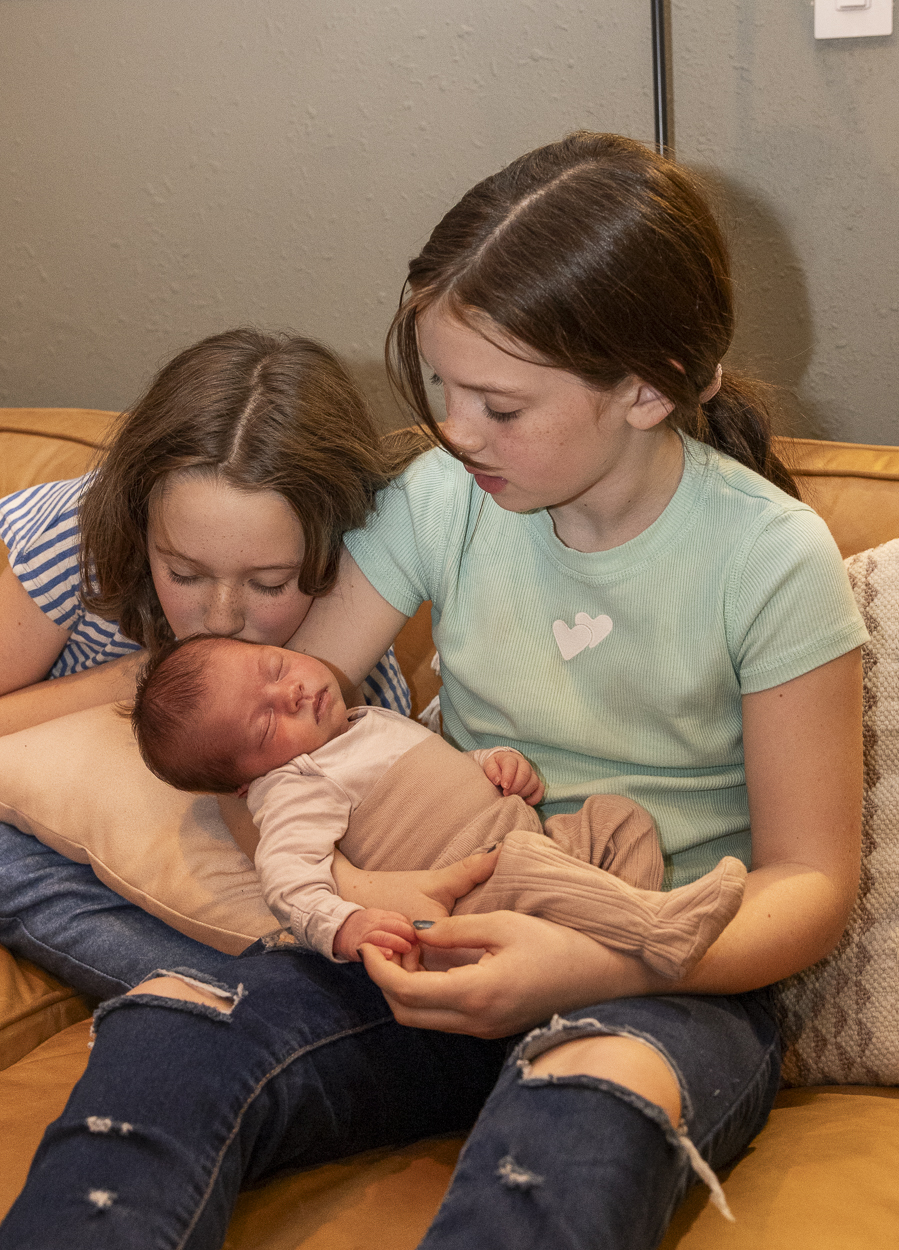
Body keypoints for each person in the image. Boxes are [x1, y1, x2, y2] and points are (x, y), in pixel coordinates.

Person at [0, 133, 865, 1250]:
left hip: (659, 972)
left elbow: (808, 882)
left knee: (569, 1121)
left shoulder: (771, 559)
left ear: (646, 389)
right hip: (435, 938)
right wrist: (363, 899)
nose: (455, 430)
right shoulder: (436, 499)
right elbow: (261, 744)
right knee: (172, 1027)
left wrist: (585, 962)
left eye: (499, 405)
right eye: (440, 386)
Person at [0, 326, 416, 998]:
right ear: (140, 525)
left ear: (332, 555)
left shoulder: (341, 663)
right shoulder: (78, 540)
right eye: (184, 572)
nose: (221, 616)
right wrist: (126, 682)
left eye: (270, 583)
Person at [132, 632, 746, 974]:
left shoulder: (357, 723)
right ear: (247, 782)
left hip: (529, 841)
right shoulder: (294, 785)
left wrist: (493, 766)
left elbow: (431, 773)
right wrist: (345, 925)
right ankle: (653, 932)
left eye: (274, 666)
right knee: (531, 863)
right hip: (474, 900)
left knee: (619, 818)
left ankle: (617, 941)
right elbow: (287, 879)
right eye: (264, 725)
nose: (290, 692)